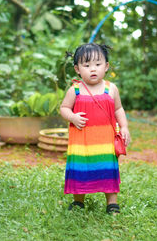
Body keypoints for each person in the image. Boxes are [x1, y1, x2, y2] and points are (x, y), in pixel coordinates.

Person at [60, 43, 131, 213]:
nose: (93, 69)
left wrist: (124, 127)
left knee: (107, 168)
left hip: (104, 141)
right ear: (77, 69)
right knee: (80, 168)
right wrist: (73, 117)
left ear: (106, 66)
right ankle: (78, 201)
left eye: (98, 64)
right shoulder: (75, 90)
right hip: (82, 141)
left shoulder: (111, 89)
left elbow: (118, 109)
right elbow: (64, 108)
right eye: (86, 65)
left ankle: (111, 203)